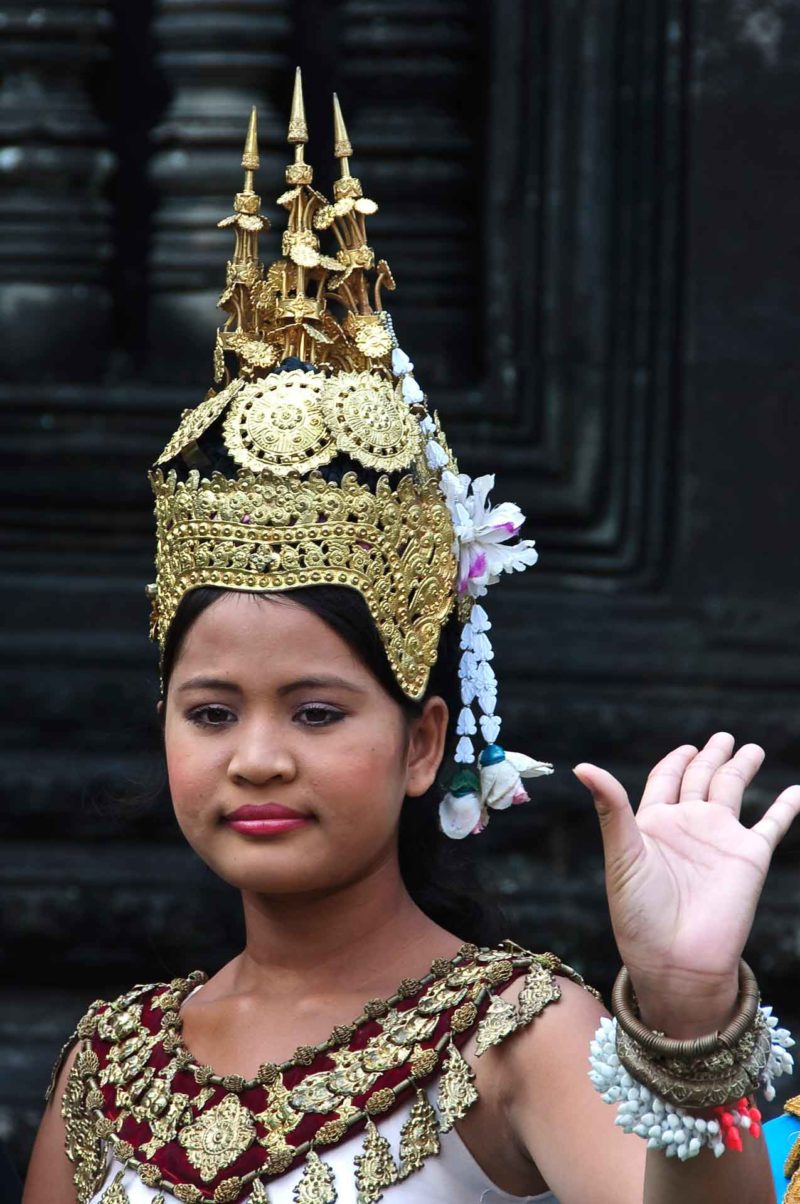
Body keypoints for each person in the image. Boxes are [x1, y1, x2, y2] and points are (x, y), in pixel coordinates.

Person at [22, 70, 800, 1204]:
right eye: (210, 711)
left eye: (318, 709)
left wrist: (685, 1011)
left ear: (425, 741)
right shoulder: (109, 1071)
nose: (256, 755)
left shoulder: (511, 1038)